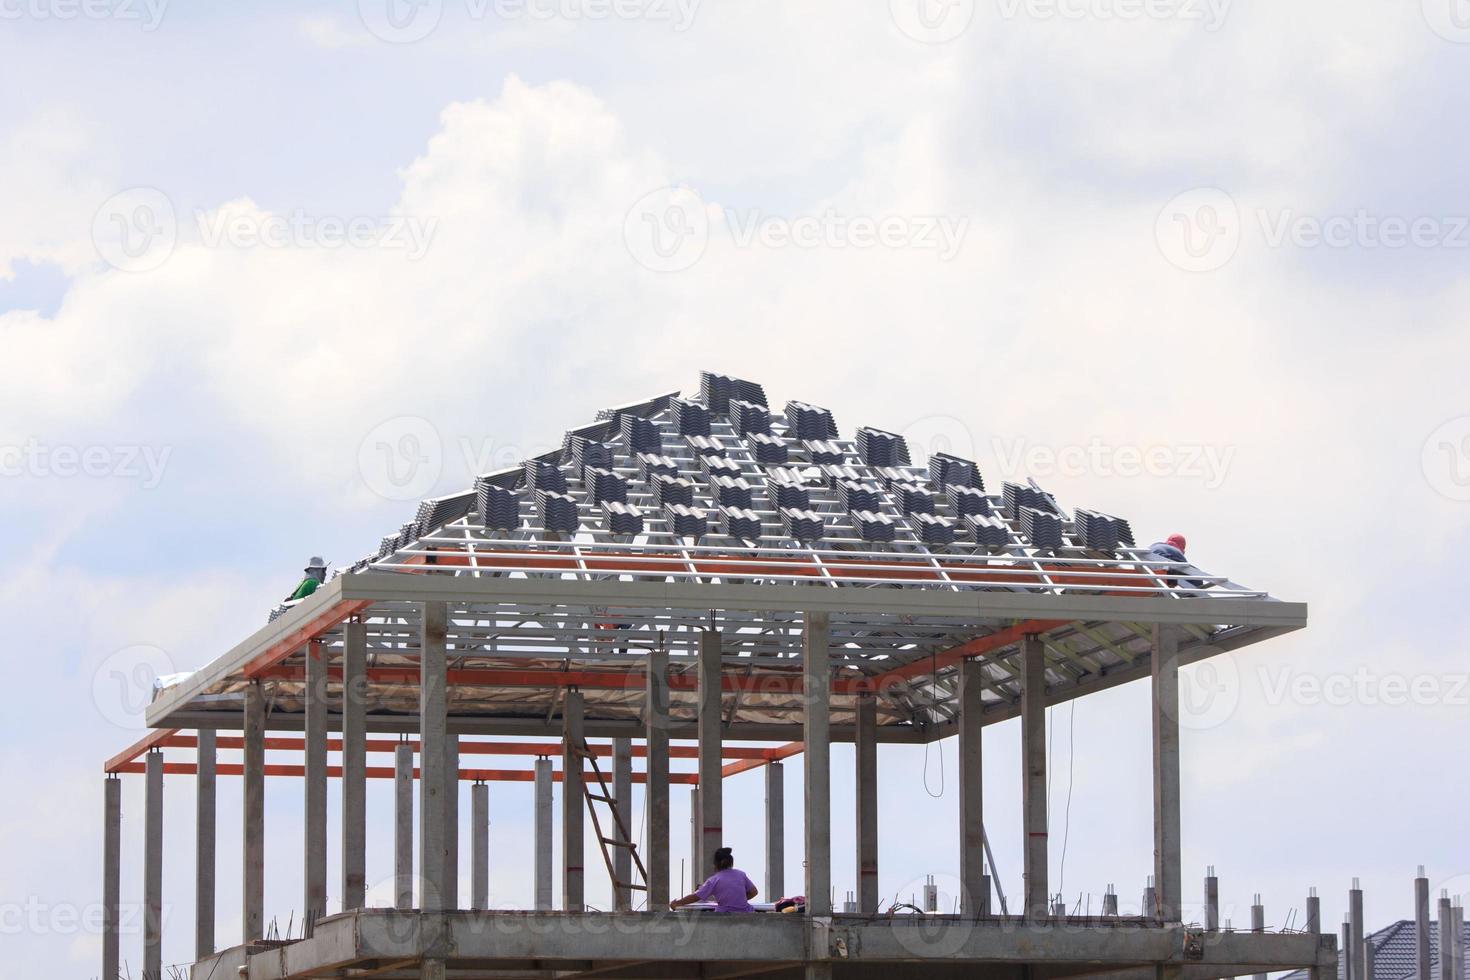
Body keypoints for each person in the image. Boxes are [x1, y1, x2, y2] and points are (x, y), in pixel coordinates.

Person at [670, 847, 758, 912]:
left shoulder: (714, 880)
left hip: (725, 915)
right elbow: (754, 892)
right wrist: (737, 900)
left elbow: (695, 897)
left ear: (715, 864)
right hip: (747, 913)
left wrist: (677, 903)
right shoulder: (741, 874)